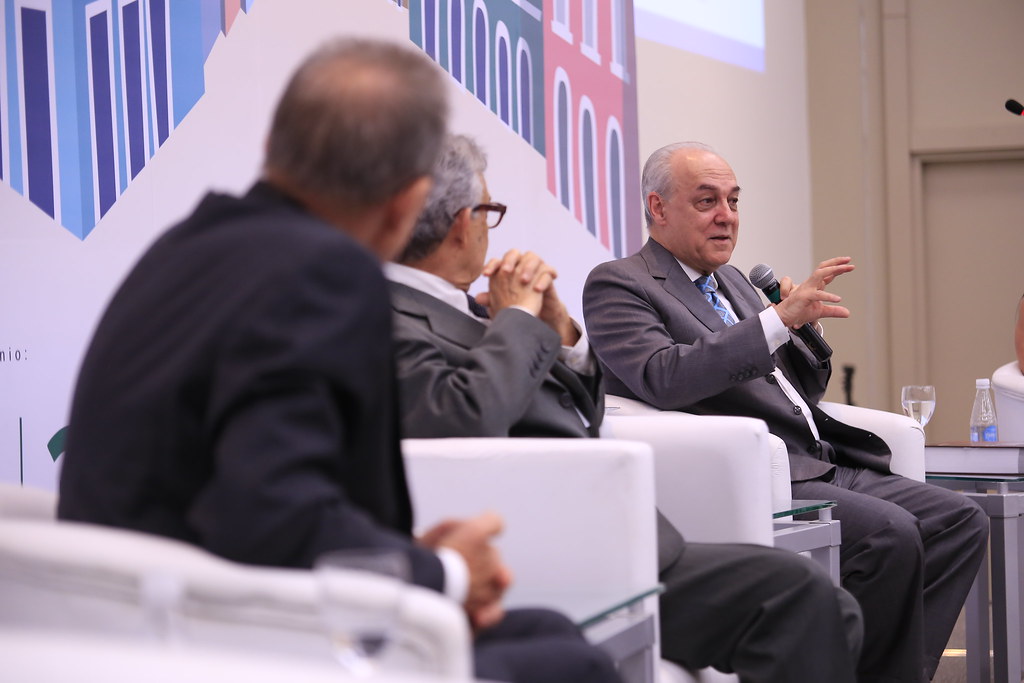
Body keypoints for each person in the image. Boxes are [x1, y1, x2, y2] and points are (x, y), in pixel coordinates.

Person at [57, 38, 619, 683]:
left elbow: (242, 485)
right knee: (574, 661)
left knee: (547, 631)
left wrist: (402, 554)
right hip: (220, 638)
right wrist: (446, 571)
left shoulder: (186, 245)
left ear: (274, 150)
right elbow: (272, 515)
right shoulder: (323, 272)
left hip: (128, 618)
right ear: (407, 204)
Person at [390, 134, 864, 682]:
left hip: (617, 531)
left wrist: (561, 335)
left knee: (830, 606)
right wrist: (517, 322)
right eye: (488, 212)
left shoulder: (472, 307)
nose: (727, 216)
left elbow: (584, 414)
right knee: (806, 599)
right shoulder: (392, 318)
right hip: (550, 552)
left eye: (733, 201)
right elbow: (464, 417)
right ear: (461, 224)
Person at [583, 141, 989, 682]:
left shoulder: (732, 281)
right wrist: (775, 322)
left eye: (733, 200)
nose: (727, 216)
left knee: (960, 520)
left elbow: (801, 390)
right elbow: (663, 375)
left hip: (818, 457)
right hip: (763, 473)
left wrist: (802, 332)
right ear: (657, 207)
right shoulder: (620, 282)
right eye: (706, 201)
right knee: (891, 535)